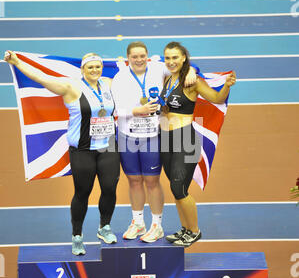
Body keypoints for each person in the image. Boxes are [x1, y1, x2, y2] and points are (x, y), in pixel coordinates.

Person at [4, 50, 120, 255]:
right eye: (90, 67)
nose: (95, 70)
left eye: (98, 66)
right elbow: (42, 78)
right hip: (82, 150)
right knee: (82, 193)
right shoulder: (71, 86)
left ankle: (105, 227)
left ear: (102, 68)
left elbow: (136, 74)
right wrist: (17, 62)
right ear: (83, 69)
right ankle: (77, 236)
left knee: (110, 188)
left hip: (108, 147)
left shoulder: (109, 84)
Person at [111, 41, 197, 243]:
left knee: (152, 181)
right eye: (135, 57)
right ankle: (138, 222)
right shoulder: (119, 78)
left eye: (142, 56)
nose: (139, 60)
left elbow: (180, 66)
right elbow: (115, 110)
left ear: (147, 56)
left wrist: (191, 71)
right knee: (134, 180)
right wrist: (135, 111)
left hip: (152, 136)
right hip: (127, 136)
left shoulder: (159, 69)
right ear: (128, 58)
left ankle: (157, 225)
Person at [159, 42, 237, 247]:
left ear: (184, 57)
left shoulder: (192, 81)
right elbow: (167, 108)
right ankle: (184, 229)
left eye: (175, 57)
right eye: (167, 58)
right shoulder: (168, 79)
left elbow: (217, 99)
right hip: (166, 139)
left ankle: (194, 231)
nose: (171, 61)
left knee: (179, 187)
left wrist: (227, 85)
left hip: (185, 138)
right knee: (175, 188)